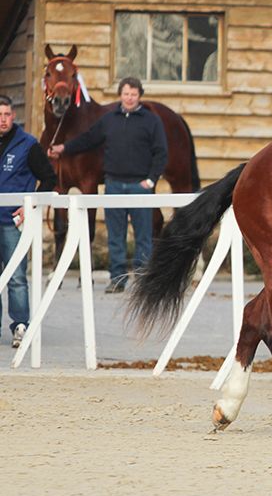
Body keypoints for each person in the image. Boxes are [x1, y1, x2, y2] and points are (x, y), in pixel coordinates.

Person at [48, 78, 167, 293]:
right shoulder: (109, 120)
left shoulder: (151, 121)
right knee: (116, 236)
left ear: (139, 96)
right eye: (126, 94)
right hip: (113, 186)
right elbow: (88, 139)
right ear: (120, 95)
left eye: (133, 94)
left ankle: (142, 281)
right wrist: (63, 148)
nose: (129, 98)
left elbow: (161, 152)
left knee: (142, 236)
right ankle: (117, 279)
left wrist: (151, 180)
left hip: (139, 187)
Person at [0, 95, 58, 347]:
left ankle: (20, 325)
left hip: (13, 221)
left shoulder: (28, 144)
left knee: (16, 276)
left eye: (6, 115)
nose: (2, 120)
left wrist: (30, 204)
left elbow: (48, 178)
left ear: (14, 116)